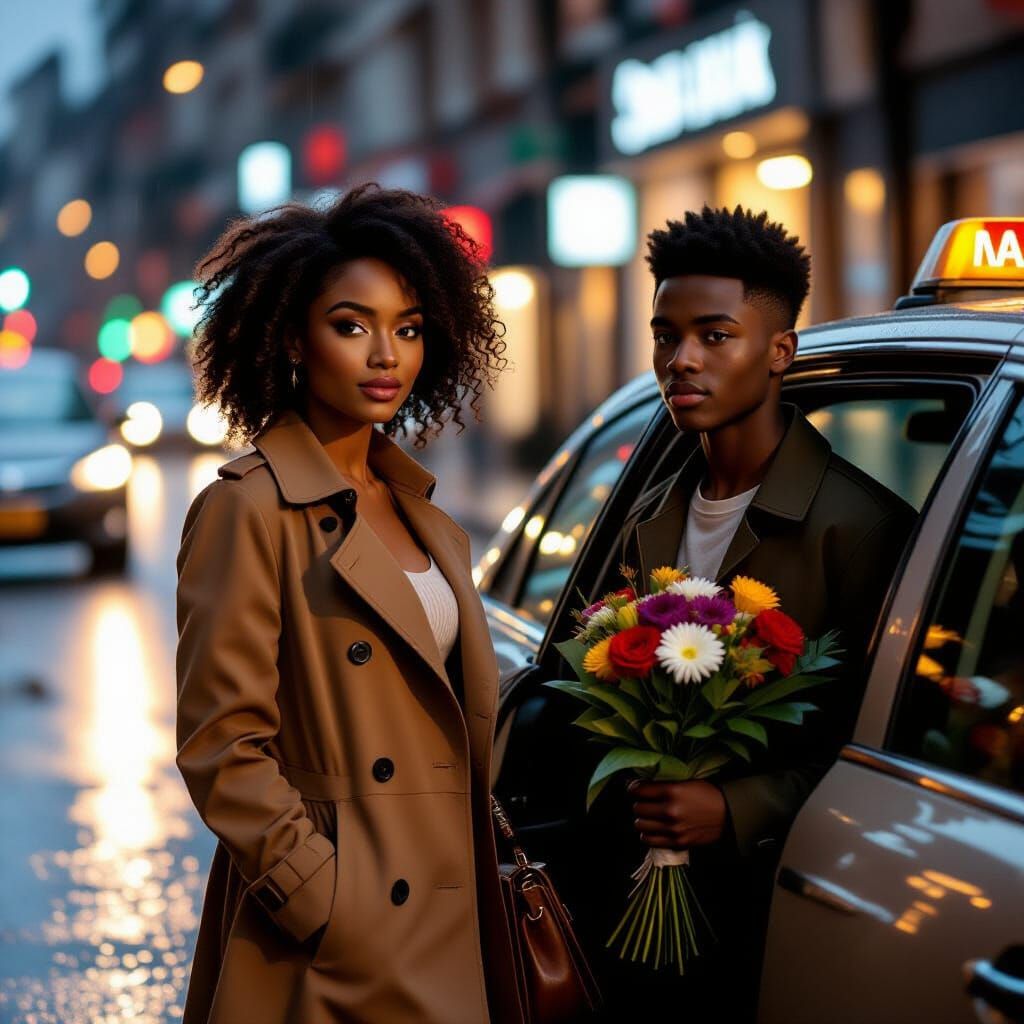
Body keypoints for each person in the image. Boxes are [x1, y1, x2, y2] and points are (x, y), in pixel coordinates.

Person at [174, 184, 523, 1024]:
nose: (385, 355)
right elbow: (222, 743)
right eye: (351, 324)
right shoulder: (248, 507)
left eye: (407, 328)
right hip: (338, 947)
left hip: (452, 915)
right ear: (294, 336)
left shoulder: (426, 516)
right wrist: (323, 897)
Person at [585, 206, 917, 1020]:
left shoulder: (860, 527)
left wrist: (735, 807)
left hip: (793, 906)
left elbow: (884, 745)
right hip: (643, 906)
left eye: (714, 335)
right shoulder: (650, 517)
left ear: (779, 352)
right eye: (666, 335)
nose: (681, 360)